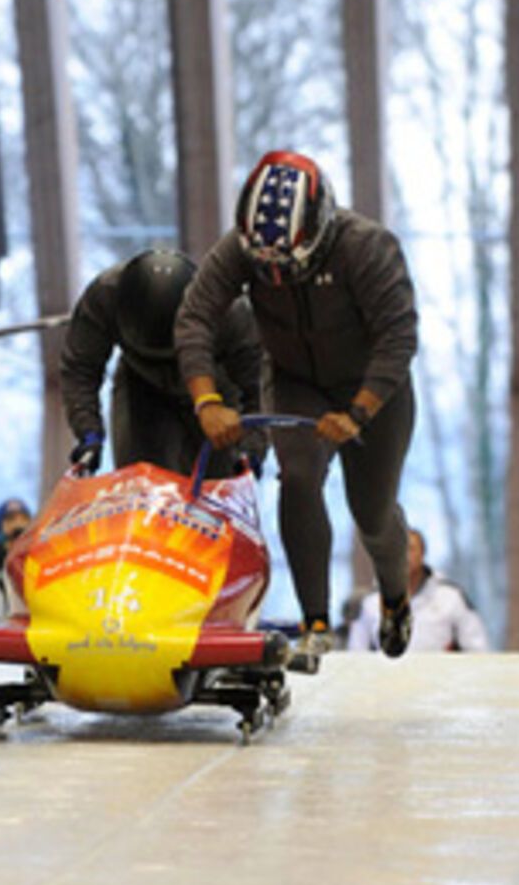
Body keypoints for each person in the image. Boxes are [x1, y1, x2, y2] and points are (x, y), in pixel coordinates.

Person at [175, 150, 419, 663]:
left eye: (288, 266)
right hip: (295, 380)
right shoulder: (241, 250)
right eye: (265, 269)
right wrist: (207, 401)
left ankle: (394, 595)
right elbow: (195, 317)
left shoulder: (368, 248)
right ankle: (316, 620)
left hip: (374, 387)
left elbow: (398, 337)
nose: (276, 277)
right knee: (300, 476)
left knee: (370, 511)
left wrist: (358, 412)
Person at [60, 248, 265, 477]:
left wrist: (253, 447)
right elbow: (80, 369)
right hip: (141, 385)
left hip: (213, 387)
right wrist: (89, 433)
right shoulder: (104, 298)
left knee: (217, 483)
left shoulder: (229, 310)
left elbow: (257, 386)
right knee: (140, 481)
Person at [348, 529, 490, 653]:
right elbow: (356, 654)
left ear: (423, 554)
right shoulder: (371, 603)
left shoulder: (451, 597)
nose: (403, 555)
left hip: (441, 680)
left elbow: (477, 650)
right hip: (386, 681)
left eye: (410, 548)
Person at [0, 497, 33, 584]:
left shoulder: (36, 553)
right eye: (11, 519)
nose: (18, 524)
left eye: (24, 519)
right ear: (1, 526)